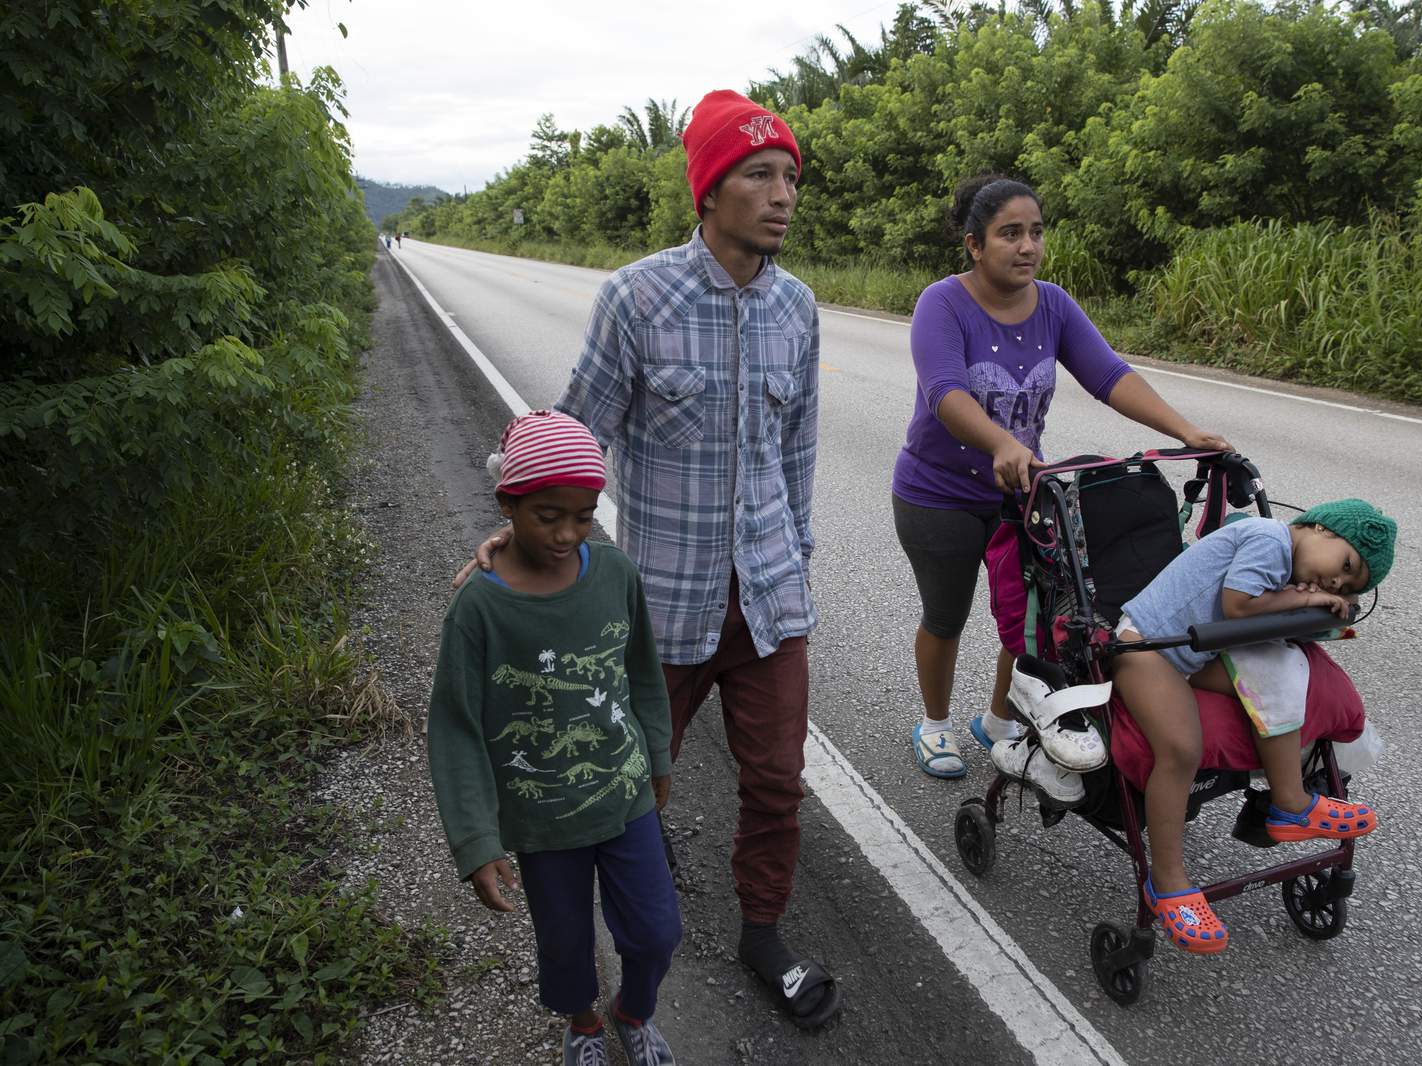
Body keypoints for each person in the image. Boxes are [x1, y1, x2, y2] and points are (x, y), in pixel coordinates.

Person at [459, 89, 839, 1028]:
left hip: (769, 603)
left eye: (790, 175)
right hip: (658, 610)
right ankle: (633, 953)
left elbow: (798, 459)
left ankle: (762, 931)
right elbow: (573, 430)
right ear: (709, 192)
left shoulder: (799, 308)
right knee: (621, 783)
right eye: (759, 174)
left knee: (777, 783)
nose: (783, 193)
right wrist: (514, 532)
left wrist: (797, 557)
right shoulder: (636, 296)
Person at [893, 173, 1232, 792]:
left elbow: (1109, 374)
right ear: (974, 244)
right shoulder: (941, 303)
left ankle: (998, 720)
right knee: (947, 614)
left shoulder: (1053, 302)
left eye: (1036, 233)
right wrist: (1000, 441)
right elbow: (945, 393)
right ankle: (935, 722)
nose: (1027, 247)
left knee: (1029, 614)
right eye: (1010, 234)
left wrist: (1187, 431)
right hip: (937, 493)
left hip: (1026, 492)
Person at [427, 410, 681, 1066]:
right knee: (565, 944)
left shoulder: (616, 576)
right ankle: (584, 1025)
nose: (568, 532)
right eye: (548, 515)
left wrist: (656, 754)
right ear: (507, 504)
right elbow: (454, 726)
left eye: (585, 514)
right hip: (542, 819)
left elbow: (643, 675)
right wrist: (477, 840)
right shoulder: (479, 608)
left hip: (625, 799)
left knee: (656, 932)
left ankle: (634, 1011)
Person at [1111, 498, 1396, 954]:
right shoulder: (1267, 538)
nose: (1337, 581)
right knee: (1181, 749)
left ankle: (1289, 802)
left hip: (1197, 652)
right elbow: (1239, 606)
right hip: (1146, 650)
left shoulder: (1287, 562)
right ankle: (1166, 881)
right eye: (1345, 564)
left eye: (1347, 583)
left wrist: (1322, 603)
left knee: (1280, 672)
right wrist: (1308, 597)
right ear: (1320, 528)